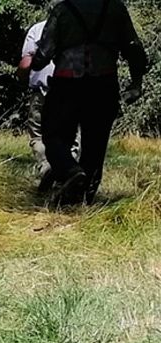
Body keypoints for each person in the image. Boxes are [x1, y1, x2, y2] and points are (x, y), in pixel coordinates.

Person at [32, 0, 149, 205]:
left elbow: (43, 54)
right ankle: (85, 202)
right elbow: (135, 50)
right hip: (103, 85)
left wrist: (36, 60)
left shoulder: (63, 10)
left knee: (53, 137)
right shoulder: (115, 9)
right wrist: (136, 84)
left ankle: (70, 171)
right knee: (96, 145)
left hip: (67, 84)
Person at [18, 20, 78, 190]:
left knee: (38, 135)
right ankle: (69, 172)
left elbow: (25, 63)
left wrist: (22, 80)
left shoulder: (37, 29)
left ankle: (46, 169)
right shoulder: (79, 28)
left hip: (42, 92)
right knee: (71, 137)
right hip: (71, 90)